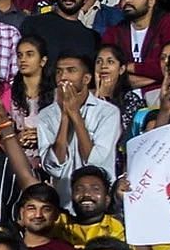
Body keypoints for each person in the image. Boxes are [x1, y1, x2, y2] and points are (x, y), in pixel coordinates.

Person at [36, 53, 121, 208]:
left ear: (86, 79)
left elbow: (96, 162)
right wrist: (65, 117)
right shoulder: (45, 116)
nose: (63, 77)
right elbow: (53, 167)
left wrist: (75, 114)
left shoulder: (108, 112)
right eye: (59, 72)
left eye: (71, 70)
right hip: (64, 204)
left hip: (99, 207)